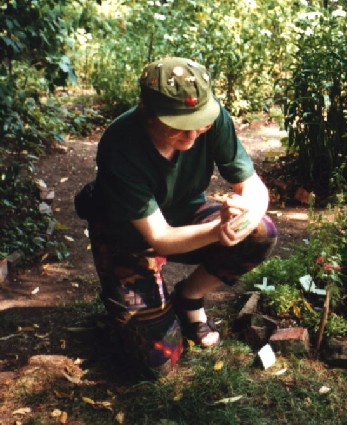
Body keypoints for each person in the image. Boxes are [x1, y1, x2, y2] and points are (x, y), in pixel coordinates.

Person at [75, 56, 277, 379]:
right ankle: (124, 292)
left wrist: (245, 215)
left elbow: (253, 186)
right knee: (159, 362)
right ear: (147, 113)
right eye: (179, 128)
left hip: (182, 212)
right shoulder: (120, 144)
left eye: (201, 123)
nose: (193, 136)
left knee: (260, 233)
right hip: (127, 233)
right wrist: (218, 230)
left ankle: (187, 298)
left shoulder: (212, 118)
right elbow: (159, 237)